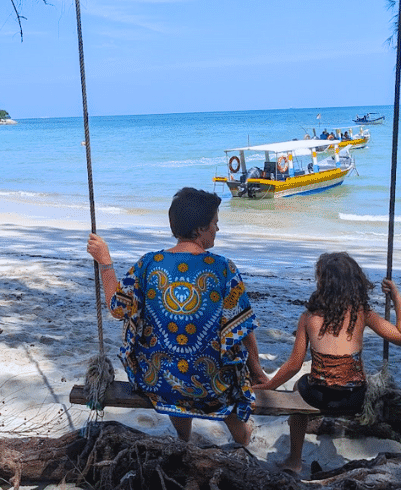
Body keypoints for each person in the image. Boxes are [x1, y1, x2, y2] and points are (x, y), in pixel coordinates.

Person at [86, 187, 268, 445]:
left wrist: (105, 260)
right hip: (212, 388)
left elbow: (117, 308)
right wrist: (257, 371)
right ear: (200, 229)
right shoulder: (223, 268)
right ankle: (243, 438)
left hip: (156, 381)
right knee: (227, 382)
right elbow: (242, 327)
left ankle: (184, 435)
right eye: (215, 223)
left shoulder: (148, 264)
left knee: (173, 367)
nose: (218, 229)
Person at [254, 252, 401, 474]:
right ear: (355, 282)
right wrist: (396, 296)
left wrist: (268, 386)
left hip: (319, 395)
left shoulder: (308, 317)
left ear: (323, 283)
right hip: (354, 396)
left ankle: (294, 460)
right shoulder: (363, 313)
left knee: (300, 387)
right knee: (320, 381)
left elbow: (294, 365)